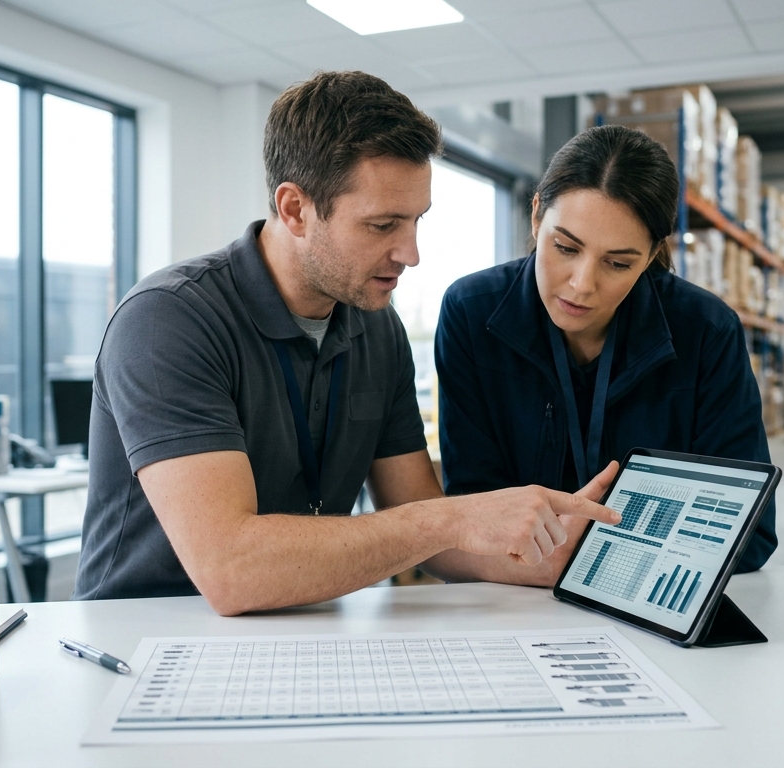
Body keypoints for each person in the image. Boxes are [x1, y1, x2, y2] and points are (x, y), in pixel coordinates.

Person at [73, 71, 621, 614]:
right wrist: (454, 517)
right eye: (382, 225)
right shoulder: (168, 320)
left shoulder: (377, 328)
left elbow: (429, 533)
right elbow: (232, 570)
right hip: (147, 641)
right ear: (295, 210)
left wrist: (550, 558)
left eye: (416, 221)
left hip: (306, 629)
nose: (411, 254)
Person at [435, 125, 777, 573]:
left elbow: (747, 533)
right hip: (508, 589)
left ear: (652, 254)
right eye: (565, 247)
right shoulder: (470, 312)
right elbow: (471, 508)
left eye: (617, 263)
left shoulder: (706, 332)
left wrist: (596, 555)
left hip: (647, 594)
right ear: (536, 216)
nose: (582, 284)